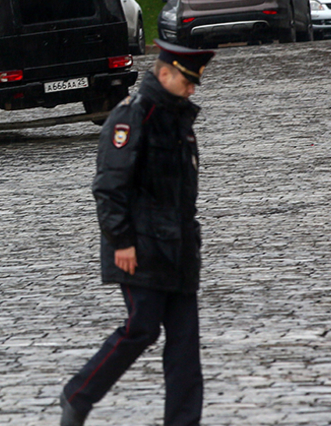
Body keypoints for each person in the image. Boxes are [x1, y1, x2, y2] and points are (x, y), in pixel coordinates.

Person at [59, 40, 215, 426]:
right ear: (164, 74)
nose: (193, 88)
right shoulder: (133, 116)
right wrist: (122, 242)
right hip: (140, 248)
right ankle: (78, 395)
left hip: (178, 251)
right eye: (187, 80)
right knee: (141, 328)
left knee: (185, 347)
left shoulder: (177, 119)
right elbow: (109, 187)